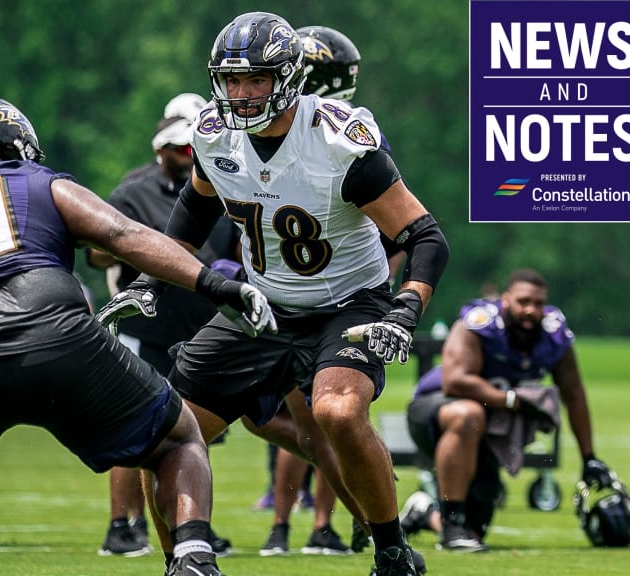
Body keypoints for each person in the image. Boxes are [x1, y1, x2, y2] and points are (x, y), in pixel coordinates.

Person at [0, 94, 275, 576]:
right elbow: (122, 235)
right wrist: (216, 284)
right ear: (0, 149)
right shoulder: (34, 182)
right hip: (53, 330)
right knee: (178, 437)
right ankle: (192, 556)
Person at [97, 12, 448, 576]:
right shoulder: (213, 135)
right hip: (261, 305)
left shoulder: (337, 139)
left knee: (336, 411)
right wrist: (150, 279)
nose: (241, 94)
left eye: (256, 80)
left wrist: (406, 308)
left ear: (287, 77)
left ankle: (391, 551)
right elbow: (192, 210)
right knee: (160, 430)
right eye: (232, 81)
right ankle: (182, 561)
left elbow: (425, 235)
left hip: (347, 302)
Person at [86, 92, 236, 558]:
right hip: (144, 328)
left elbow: (229, 255)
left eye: (195, 147)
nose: (189, 155)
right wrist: (140, 249)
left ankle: (193, 525)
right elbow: (95, 252)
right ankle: (120, 525)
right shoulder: (133, 190)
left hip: (198, 328)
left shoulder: (222, 187)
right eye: (181, 148)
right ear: (161, 148)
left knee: (189, 432)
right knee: (131, 426)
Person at [255, 23, 372, 558]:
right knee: (310, 428)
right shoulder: (250, 130)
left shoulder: (342, 130)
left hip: (337, 294)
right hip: (277, 292)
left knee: (331, 419)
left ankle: (338, 521)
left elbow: (389, 223)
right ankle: (305, 522)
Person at [405, 268, 613, 552]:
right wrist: (512, 400)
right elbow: (455, 381)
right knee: (469, 413)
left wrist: (589, 457)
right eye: (523, 301)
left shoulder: (554, 335)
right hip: (433, 412)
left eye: (539, 304)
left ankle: (426, 514)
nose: (531, 310)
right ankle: (451, 524)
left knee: (475, 529)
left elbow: (574, 394)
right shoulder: (479, 323)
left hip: (483, 431)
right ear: (506, 300)